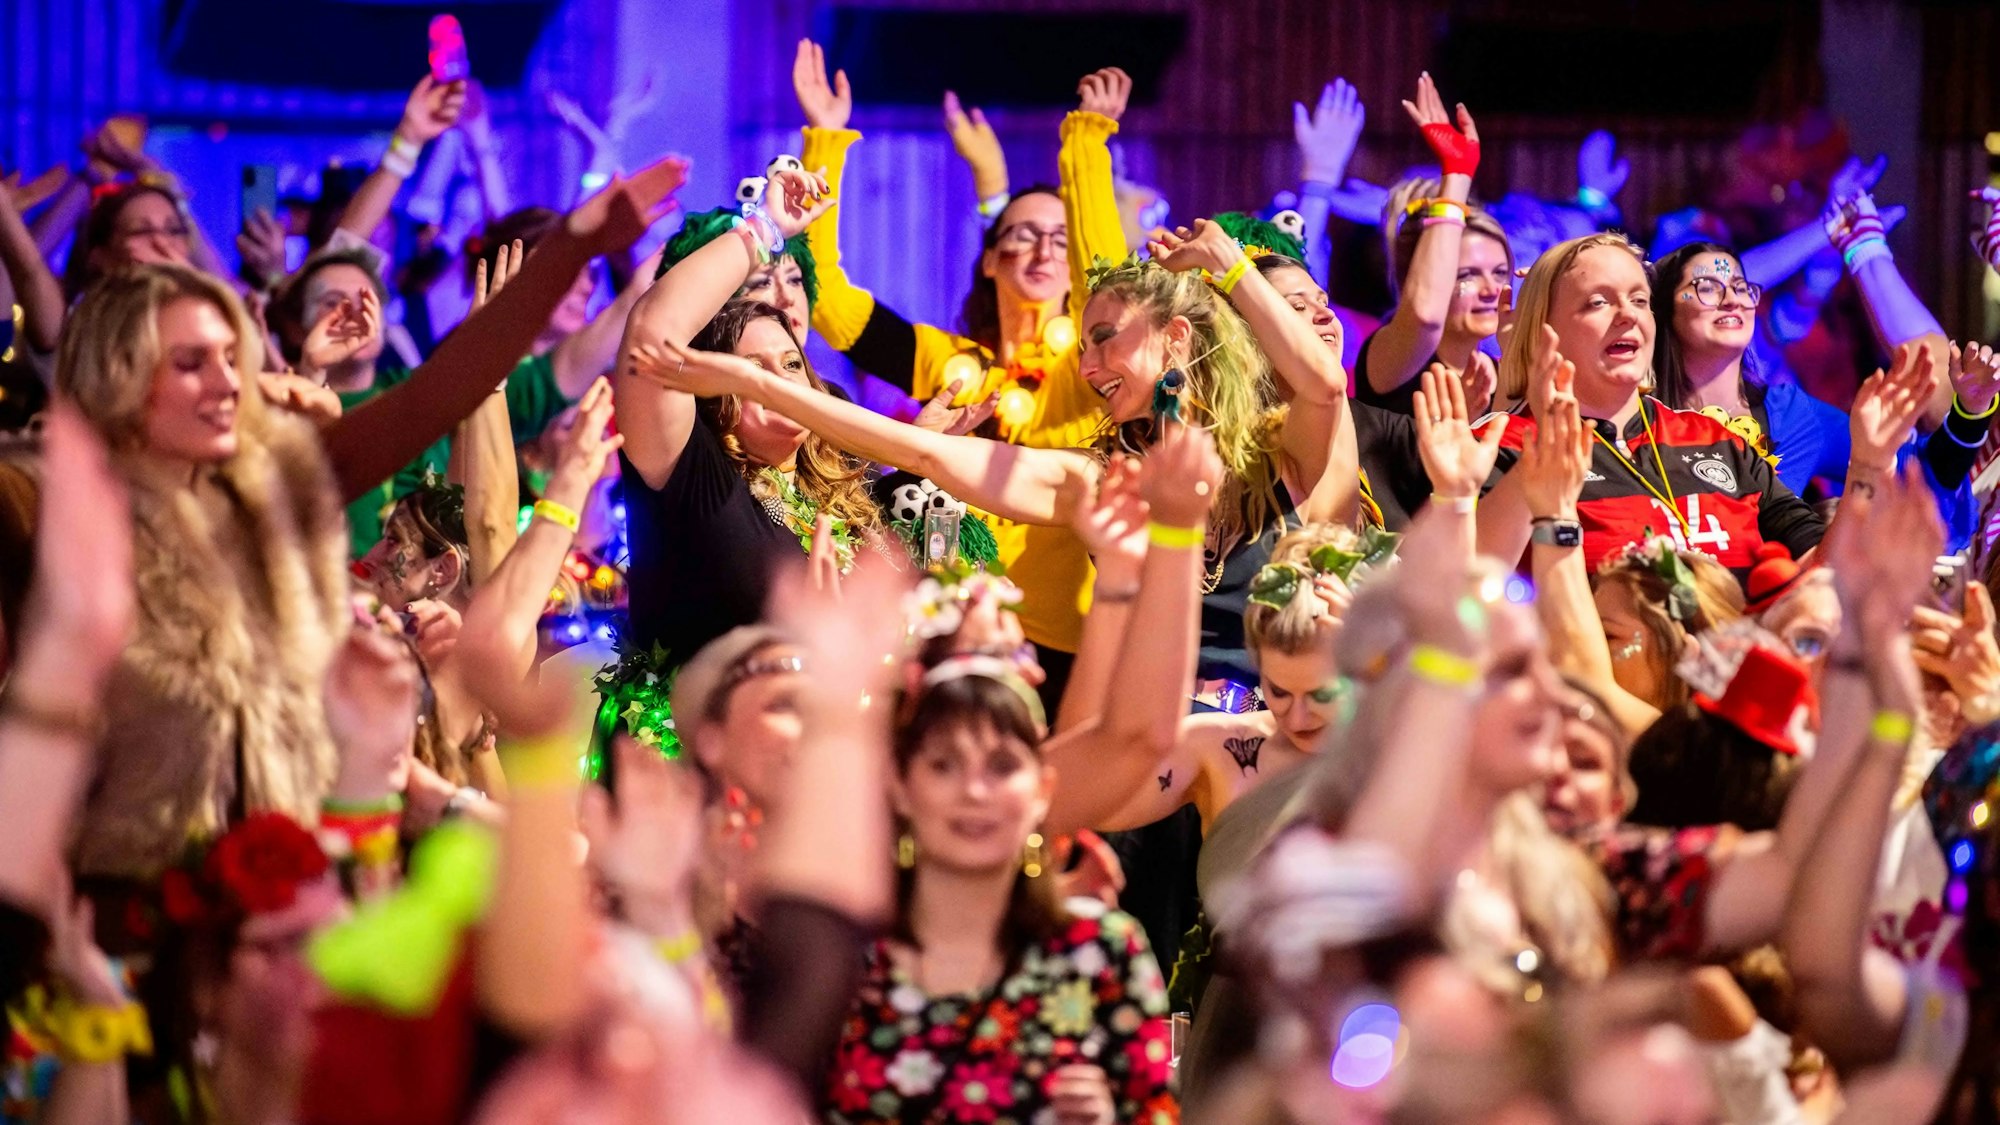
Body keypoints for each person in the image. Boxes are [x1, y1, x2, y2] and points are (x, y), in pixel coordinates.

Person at [793, 44, 1133, 666]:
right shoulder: (948, 361)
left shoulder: (1091, 367)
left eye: (1061, 238)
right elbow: (830, 304)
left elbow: (1108, 280)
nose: (1043, 250)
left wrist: (1086, 140)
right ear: (989, 257)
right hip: (962, 628)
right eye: (1022, 234)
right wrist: (827, 142)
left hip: (1075, 643)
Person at [1477, 232, 1892, 577]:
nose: (1627, 314)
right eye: (1598, 302)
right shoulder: (1497, 446)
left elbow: (1823, 572)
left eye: (1640, 300)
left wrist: (1868, 467)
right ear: (1542, 329)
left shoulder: (1719, 443)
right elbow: (1467, 583)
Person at [613, 167, 884, 671]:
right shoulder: (690, 464)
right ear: (710, 387)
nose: (780, 383)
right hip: (694, 741)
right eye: (753, 372)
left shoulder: (835, 456)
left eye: (790, 365)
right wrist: (764, 228)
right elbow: (652, 331)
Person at [1352, 74, 1511, 418]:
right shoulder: (1391, 356)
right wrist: (1456, 174)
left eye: (1500, 273)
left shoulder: (1509, 379)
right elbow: (1424, 316)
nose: (1491, 290)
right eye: (1466, 274)